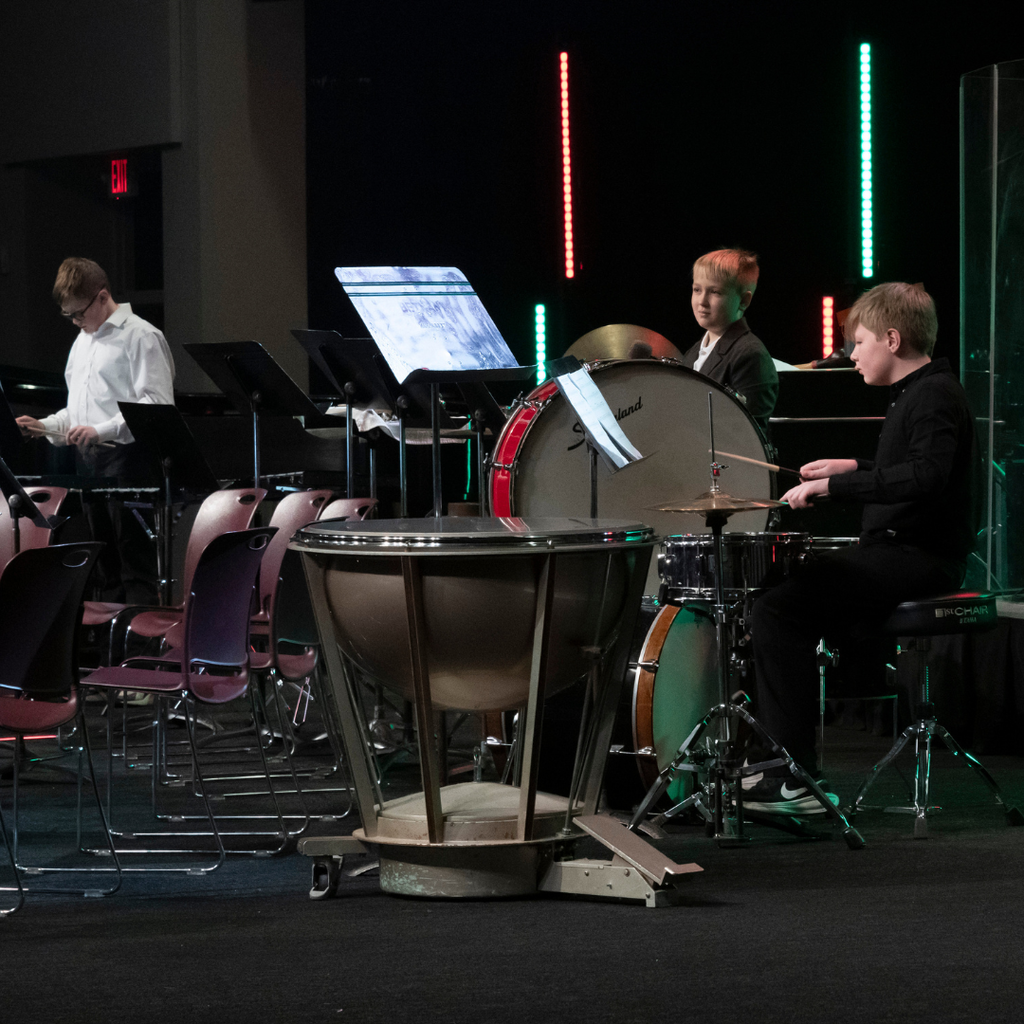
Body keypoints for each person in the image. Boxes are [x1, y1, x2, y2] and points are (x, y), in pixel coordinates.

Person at [745, 281, 975, 814]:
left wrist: (835, 487)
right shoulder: (919, 393)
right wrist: (853, 468)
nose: (851, 355)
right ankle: (783, 764)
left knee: (777, 610)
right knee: (779, 594)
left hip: (920, 559)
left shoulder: (934, 394)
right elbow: (913, 471)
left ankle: (794, 778)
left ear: (892, 340)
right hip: (904, 552)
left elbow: (927, 477)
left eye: (860, 342)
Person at [16, 257, 175, 604]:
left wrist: (101, 431)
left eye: (79, 313)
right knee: (102, 569)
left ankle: (139, 654)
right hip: (89, 467)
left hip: (129, 465)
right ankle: (108, 651)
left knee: (135, 567)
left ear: (102, 297)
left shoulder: (141, 336)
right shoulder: (82, 343)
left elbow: (157, 408)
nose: (75, 321)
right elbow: (77, 414)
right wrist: (44, 426)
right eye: (69, 315)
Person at [681, 248, 778, 432]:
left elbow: (747, 434)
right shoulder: (693, 352)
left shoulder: (749, 354)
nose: (702, 301)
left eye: (715, 292)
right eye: (697, 289)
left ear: (744, 301)